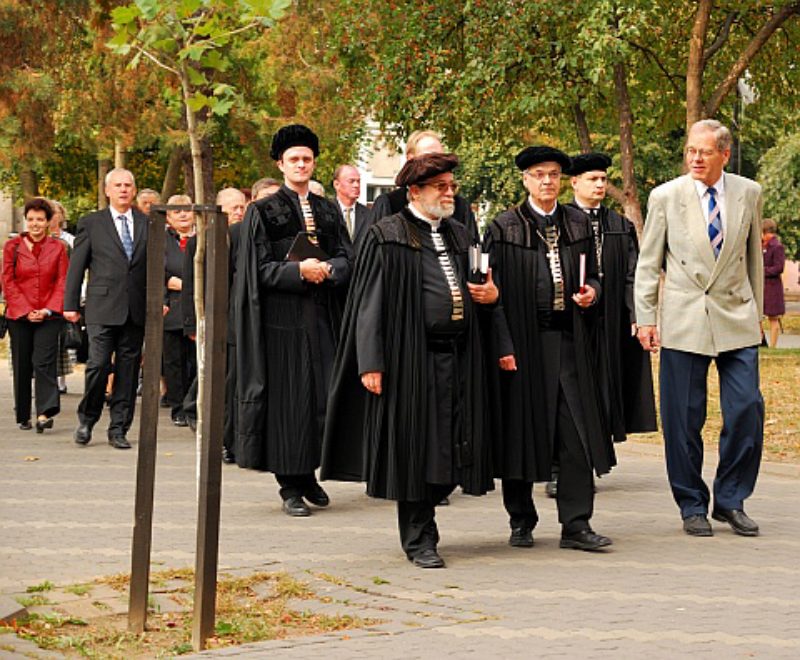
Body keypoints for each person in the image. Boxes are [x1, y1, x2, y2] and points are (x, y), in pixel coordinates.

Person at [322, 153, 497, 568]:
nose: (449, 192)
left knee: (452, 447)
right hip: (410, 360)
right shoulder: (387, 234)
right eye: (440, 187)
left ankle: (429, 515)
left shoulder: (457, 233)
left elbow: (480, 285)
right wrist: (371, 362)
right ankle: (418, 537)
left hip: (458, 359)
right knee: (416, 449)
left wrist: (491, 297)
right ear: (415, 192)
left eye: (451, 185)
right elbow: (369, 304)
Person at [635, 119, 764, 537]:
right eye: (690, 150)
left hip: (737, 316)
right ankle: (691, 503)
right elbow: (649, 263)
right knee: (682, 419)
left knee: (746, 409)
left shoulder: (749, 193)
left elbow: (753, 262)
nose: (694, 158)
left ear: (724, 154)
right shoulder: (666, 197)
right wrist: (647, 318)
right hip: (684, 318)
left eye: (704, 152)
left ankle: (731, 500)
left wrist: (757, 313)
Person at [484, 145, 614, 551]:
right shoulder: (503, 227)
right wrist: (503, 345)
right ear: (524, 179)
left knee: (576, 434)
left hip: (570, 342)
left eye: (554, 175)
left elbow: (595, 276)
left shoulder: (577, 223)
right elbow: (492, 293)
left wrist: (591, 292)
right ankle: (521, 519)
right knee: (520, 431)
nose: (547, 181)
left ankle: (576, 524)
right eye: (539, 174)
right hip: (524, 344)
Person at [235, 124, 353, 516]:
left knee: (320, 398)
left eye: (307, 159)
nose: (301, 165)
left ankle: (307, 475)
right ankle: (288, 485)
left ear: (314, 162)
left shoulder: (328, 208)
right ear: (280, 164)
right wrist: (300, 271)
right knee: (289, 404)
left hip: (321, 319)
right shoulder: (261, 211)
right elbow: (257, 271)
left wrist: (330, 270)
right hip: (281, 324)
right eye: (294, 159)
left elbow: (348, 258)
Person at [64, 168, 149, 450]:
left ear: (134, 191)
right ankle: (87, 419)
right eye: (118, 185)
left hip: (135, 308)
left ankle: (118, 428)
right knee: (98, 364)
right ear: (107, 191)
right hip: (102, 306)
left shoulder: (148, 223)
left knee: (127, 370)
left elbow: (155, 265)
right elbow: (77, 266)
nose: (123, 190)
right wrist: (70, 304)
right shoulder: (91, 223)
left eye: (128, 185)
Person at [2, 198, 69, 432]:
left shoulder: (58, 247)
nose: (35, 224)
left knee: (44, 363)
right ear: (25, 220)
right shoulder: (13, 247)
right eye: (31, 219)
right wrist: (25, 310)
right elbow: (7, 281)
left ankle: (44, 412)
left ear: (49, 222)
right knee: (22, 364)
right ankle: (23, 415)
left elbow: (63, 281)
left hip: (48, 315)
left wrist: (48, 309)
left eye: (40, 220)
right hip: (19, 316)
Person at [369, 130, 479, 241]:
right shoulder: (389, 204)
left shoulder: (460, 207)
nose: (437, 164)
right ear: (410, 159)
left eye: (439, 157)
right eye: (429, 157)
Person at [162, 195, 196, 427]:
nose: (183, 214)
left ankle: (194, 404)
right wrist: (166, 282)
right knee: (174, 362)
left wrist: (185, 283)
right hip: (171, 309)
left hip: (197, 307)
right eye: (177, 211)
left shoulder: (204, 237)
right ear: (168, 216)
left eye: (187, 209)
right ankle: (178, 406)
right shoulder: (161, 240)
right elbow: (153, 269)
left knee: (195, 361)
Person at [48, 200, 76, 394]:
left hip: (62, 294)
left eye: (56, 212)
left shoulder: (70, 241)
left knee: (60, 339)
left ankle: (60, 379)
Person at [332, 164, 370, 248]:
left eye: (358, 181)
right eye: (351, 181)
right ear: (336, 184)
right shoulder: (325, 211)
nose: (356, 185)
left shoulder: (369, 215)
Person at [761, 219, 785, 348]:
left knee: (773, 318)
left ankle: (773, 346)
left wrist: (762, 270)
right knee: (757, 316)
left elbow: (779, 267)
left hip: (772, 287)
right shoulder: (761, 245)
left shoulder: (777, 247)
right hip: (761, 287)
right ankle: (761, 342)